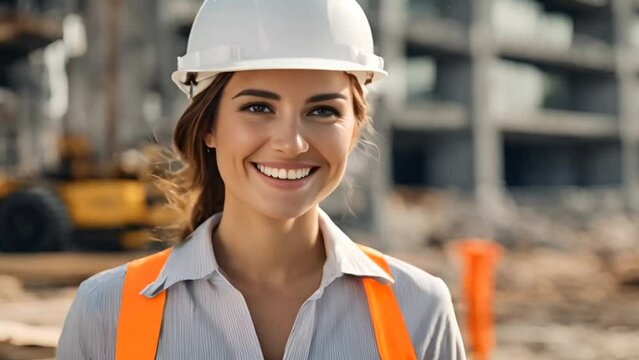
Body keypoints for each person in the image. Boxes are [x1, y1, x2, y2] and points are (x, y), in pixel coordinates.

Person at [57, 0, 467, 359]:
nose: (291, 144)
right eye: (257, 107)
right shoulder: (106, 312)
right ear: (208, 128)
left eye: (323, 111)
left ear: (355, 129)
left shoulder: (418, 309)